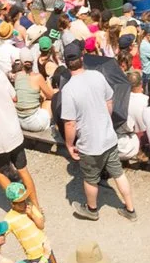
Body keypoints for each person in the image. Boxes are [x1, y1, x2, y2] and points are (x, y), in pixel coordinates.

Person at [58, 42, 136, 221]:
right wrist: (105, 120)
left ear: (66, 62)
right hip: (108, 135)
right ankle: (130, 209)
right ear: (82, 58)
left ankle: (92, 210)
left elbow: (70, 124)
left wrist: (69, 145)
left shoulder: (68, 90)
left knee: (90, 178)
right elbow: (110, 101)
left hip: (89, 142)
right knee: (118, 173)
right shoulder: (97, 76)